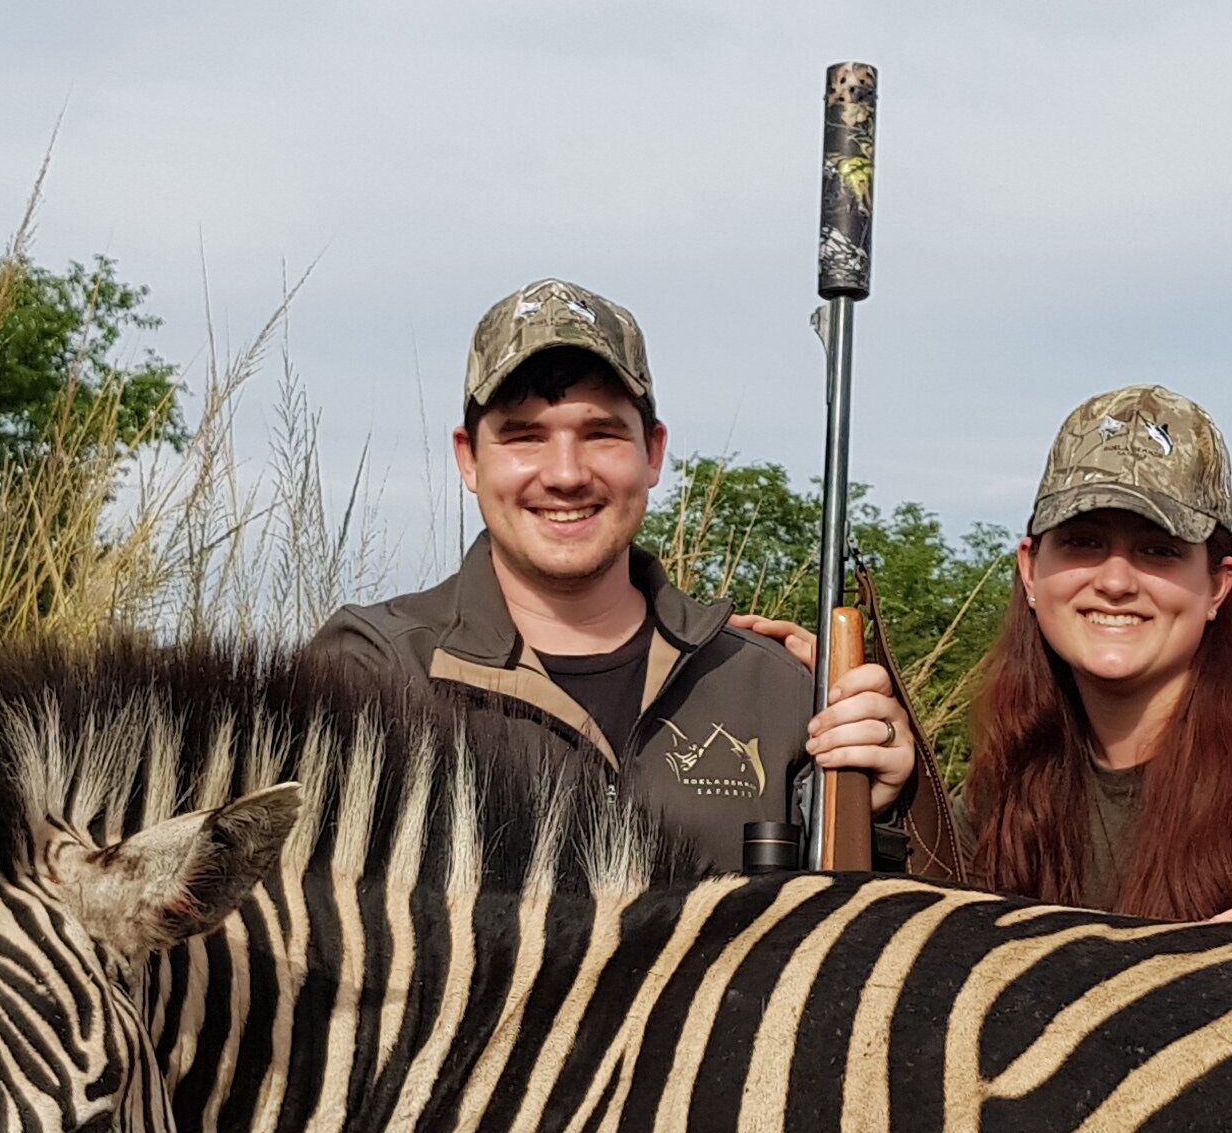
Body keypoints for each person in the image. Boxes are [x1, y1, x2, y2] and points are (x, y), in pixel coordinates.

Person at [306, 279, 912, 870]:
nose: (566, 474)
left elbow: (865, 944)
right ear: (469, 458)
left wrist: (882, 808)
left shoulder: (774, 690)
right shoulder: (373, 673)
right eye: (524, 436)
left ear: (652, 453)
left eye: (600, 434)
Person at [959, 387, 1232, 918]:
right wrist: (889, 793)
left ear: (1218, 586)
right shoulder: (1013, 763)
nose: (1114, 581)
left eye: (1159, 550)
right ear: (1030, 569)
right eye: (1083, 542)